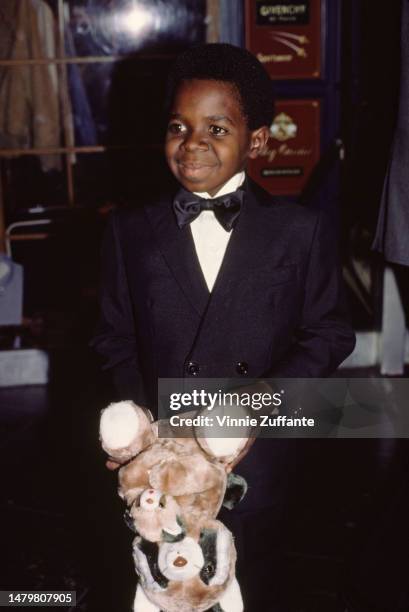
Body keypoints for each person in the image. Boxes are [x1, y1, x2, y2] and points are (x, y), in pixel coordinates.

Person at [91, 43, 355, 611]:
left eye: (216, 127)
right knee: (165, 585)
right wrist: (143, 431)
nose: (193, 144)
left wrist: (257, 407)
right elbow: (113, 336)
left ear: (256, 140)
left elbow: (330, 334)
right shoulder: (130, 231)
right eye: (178, 127)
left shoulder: (299, 230)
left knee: (257, 583)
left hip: (260, 457)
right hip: (162, 465)